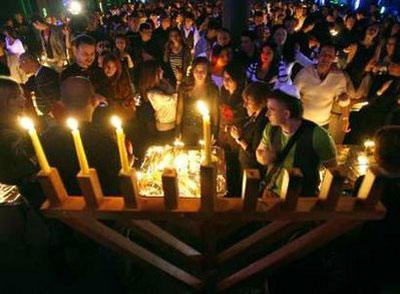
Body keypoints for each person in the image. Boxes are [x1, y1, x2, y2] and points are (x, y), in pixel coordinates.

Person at [41, 77, 121, 196]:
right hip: (103, 207)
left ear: (61, 103)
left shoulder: (46, 138)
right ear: (95, 101)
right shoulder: (103, 141)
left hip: (62, 210)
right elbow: (116, 184)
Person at [256, 89, 337, 197]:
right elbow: (260, 151)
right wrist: (264, 158)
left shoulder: (318, 135)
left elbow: (333, 171)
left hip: (302, 198)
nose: (267, 114)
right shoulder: (270, 129)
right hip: (272, 193)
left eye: (272, 109)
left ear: (286, 114)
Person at [0, 76, 44, 208]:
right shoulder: (7, 136)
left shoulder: (17, 124)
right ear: (4, 102)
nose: (24, 99)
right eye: (18, 96)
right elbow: (23, 169)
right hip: (29, 198)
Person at [294, 43, 350, 143]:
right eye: (324, 54)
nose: (326, 58)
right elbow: (292, 96)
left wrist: (345, 119)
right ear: (318, 55)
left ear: (334, 59)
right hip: (302, 122)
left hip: (322, 124)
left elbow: (343, 100)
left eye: (330, 56)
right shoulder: (304, 73)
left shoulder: (338, 77)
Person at [177, 57, 219, 146]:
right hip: (187, 129)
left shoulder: (212, 89)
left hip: (205, 130)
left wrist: (214, 132)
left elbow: (215, 112)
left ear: (207, 72)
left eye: (203, 70)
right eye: (197, 70)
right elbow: (180, 111)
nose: (200, 74)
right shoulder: (184, 88)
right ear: (192, 71)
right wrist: (177, 130)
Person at [137, 60, 180, 146]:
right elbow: (174, 99)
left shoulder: (162, 84)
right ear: (153, 74)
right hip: (165, 129)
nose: (162, 71)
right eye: (160, 70)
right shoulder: (153, 94)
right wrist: (179, 81)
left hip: (173, 125)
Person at [230, 82, 269, 174]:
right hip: (245, 166)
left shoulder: (262, 123)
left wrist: (239, 138)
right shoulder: (255, 115)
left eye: (249, 101)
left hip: (252, 172)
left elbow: (255, 154)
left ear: (262, 102)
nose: (244, 105)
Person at [100, 53, 135, 122]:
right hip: (106, 117)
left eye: (113, 67)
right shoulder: (100, 80)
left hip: (122, 116)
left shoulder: (122, 81)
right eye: (107, 66)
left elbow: (128, 99)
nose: (109, 69)